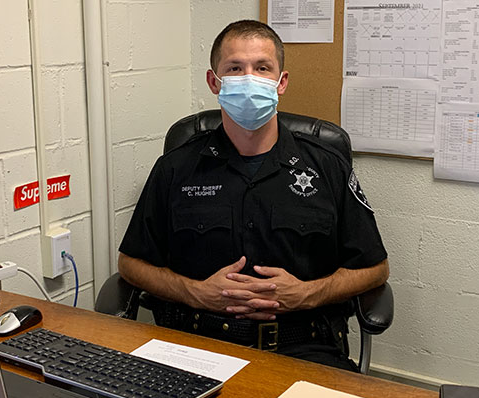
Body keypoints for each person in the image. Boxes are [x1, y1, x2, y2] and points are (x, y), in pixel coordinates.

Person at [118, 20, 389, 372]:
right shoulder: (176, 168)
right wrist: (194, 292)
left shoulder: (327, 167)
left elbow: (374, 268)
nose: (249, 79)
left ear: (282, 82)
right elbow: (131, 263)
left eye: (262, 68)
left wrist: (306, 294)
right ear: (214, 83)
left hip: (304, 349)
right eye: (235, 68)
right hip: (194, 346)